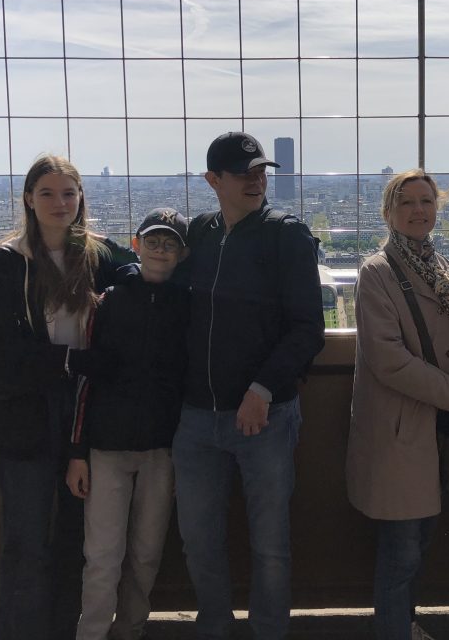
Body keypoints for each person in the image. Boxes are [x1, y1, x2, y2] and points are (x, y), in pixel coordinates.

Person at [0, 154, 135, 640]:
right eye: (47, 193)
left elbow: (144, 278)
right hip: (30, 412)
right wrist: (71, 362)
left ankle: (60, 629)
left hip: (83, 410)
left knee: (71, 536)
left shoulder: (102, 257)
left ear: (81, 197)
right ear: (28, 199)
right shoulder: (6, 263)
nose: (59, 203)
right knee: (27, 538)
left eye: (68, 193)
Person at [172, 132, 325, 640]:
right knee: (199, 540)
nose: (257, 180)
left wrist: (262, 389)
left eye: (262, 171)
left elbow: (308, 328)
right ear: (212, 180)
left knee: (270, 544)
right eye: (244, 173)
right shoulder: (199, 234)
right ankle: (215, 628)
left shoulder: (287, 235)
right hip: (198, 416)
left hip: (265, 414)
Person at [346, 169, 449, 640]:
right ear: (389, 213)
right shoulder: (376, 272)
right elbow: (388, 359)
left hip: (430, 430)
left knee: (417, 544)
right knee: (402, 550)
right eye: (407, 202)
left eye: (426, 201)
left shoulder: (442, 269)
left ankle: (400, 625)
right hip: (402, 431)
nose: (419, 210)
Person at [66, 208, 190, 640]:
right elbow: (87, 381)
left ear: (182, 253)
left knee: (145, 554)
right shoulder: (109, 302)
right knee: (102, 555)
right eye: (153, 241)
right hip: (107, 447)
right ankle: (95, 634)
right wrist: (78, 452)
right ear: (135, 245)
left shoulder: (186, 306)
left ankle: (130, 631)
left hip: (161, 449)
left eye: (169, 243)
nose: (160, 249)